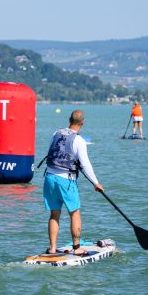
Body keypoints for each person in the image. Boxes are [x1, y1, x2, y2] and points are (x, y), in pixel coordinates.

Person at [43, 109, 104, 256]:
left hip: (49, 178)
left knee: (54, 214)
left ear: (69, 120)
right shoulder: (79, 140)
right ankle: (77, 248)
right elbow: (85, 164)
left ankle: (52, 248)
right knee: (74, 213)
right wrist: (96, 183)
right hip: (66, 180)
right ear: (82, 123)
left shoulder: (56, 133)